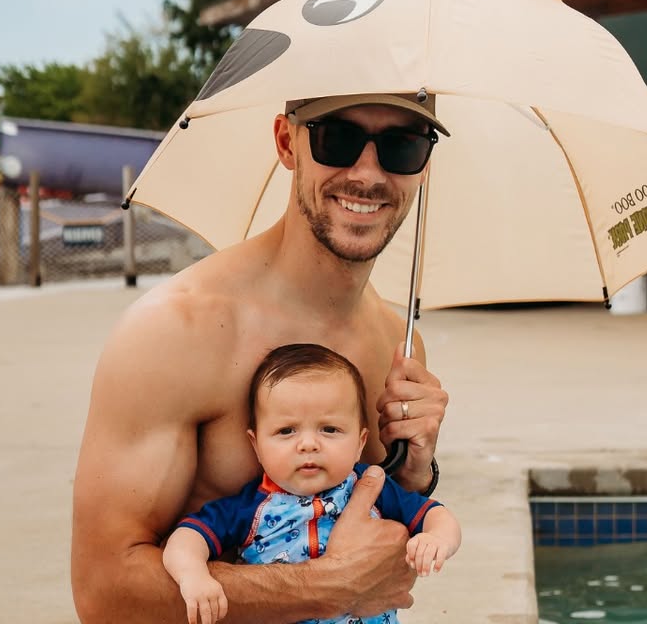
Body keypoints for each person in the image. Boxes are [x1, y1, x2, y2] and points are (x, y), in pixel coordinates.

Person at [71, 91, 452, 624]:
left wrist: (413, 470)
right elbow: (103, 594)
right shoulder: (176, 331)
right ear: (286, 143)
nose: (368, 173)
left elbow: (370, 521)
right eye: (337, 138)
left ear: (424, 164)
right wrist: (329, 586)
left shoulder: (396, 343)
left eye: (402, 145)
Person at [162, 343, 462, 624]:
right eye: (286, 431)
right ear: (256, 445)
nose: (308, 444)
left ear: (360, 443)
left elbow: (436, 514)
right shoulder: (250, 507)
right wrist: (192, 574)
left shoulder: (372, 489)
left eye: (329, 429)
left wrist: (437, 539)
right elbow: (187, 537)